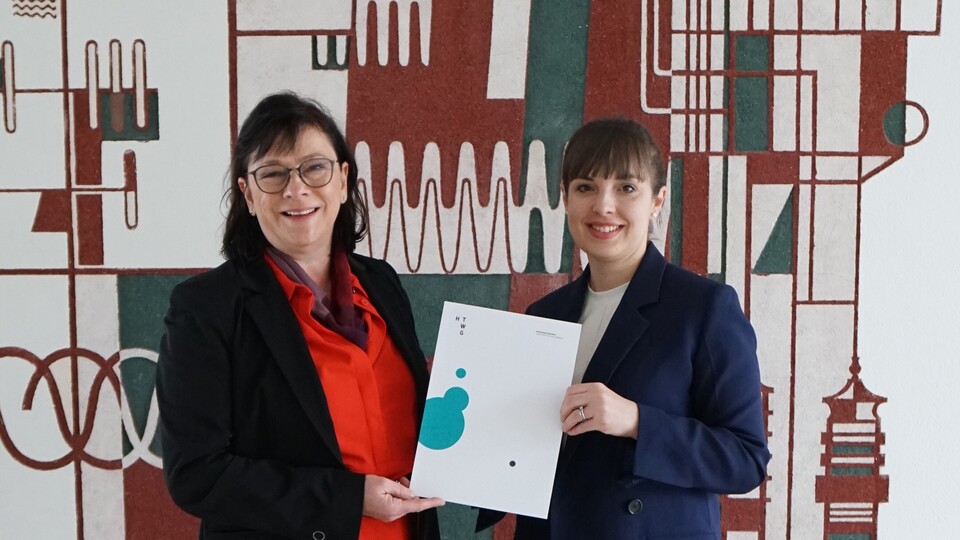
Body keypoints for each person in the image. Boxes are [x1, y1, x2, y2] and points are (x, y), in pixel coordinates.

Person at [157, 92, 443, 539]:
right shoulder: (207, 308)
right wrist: (347, 499)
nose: (296, 189)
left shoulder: (382, 283)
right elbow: (197, 473)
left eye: (314, 168)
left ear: (343, 180)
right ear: (247, 194)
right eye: (273, 174)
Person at [481, 118, 770, 538]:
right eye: (585, 187)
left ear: (658, 200)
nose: (603, 206)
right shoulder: (544, 315)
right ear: (565, 198)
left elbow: (746, 459)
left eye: (626, 188)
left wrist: (637, 421)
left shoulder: (703, 308)